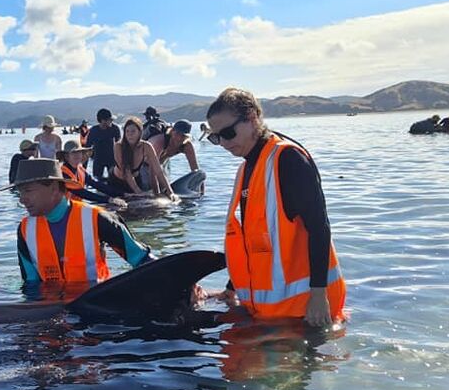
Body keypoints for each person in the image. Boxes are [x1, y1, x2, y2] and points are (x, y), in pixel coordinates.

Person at [204, 87, 346, 326]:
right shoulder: (247, 168)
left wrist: (319, 296)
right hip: (271, 316)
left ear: (252, 118)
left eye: (228, 133)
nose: (223, 143)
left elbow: (319, 228)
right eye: (215, 137)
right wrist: (231, 288)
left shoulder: (288, 160)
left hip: (307, 314)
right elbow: (256, 242)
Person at [3, 158, 153, 287]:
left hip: (99, 307)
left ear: (54, 189)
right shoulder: (25, 229)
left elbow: (142, 260)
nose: (22, 199)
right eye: (20, 192)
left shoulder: (97, 218)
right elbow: (31, 283)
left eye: (28, 191)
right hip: (53, 311)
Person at [109, 117, 175, 198]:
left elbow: (158, 170)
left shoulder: (146, 146)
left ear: (140, 132)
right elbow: (126, 172)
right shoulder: (118, 146)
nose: (130, 134)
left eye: (133, 131)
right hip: (117, 182)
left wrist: (170, 192)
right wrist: (139, 192)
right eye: (127, 131)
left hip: (136, 180)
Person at [59, 141, 127, 206]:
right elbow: (83, 193)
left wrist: (122, 194)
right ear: (67, 156)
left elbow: (96, 184)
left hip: (75, 205)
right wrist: (109, 199)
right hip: (63, 208)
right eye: (73, 153)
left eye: (79, 152)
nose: (77, 155)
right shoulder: (63, 173)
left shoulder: (80, 169)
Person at [86, 108, 121, 180]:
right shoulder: (94, 130)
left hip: (112, 159)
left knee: (114, 180)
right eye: (110, 120)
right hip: (98, 159)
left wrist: (120, 161)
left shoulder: (115, 128)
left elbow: (119, 145)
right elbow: (87, 147)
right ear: (103, 120)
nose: (111, 121)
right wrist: (83, 166)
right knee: (97, 180)